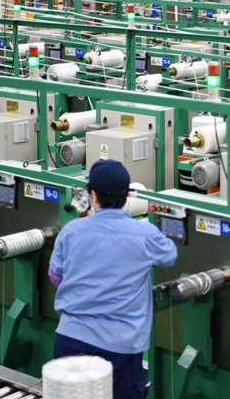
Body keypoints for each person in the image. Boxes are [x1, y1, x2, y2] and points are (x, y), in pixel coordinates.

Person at [49, 160, 177, 399]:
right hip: (119, 346)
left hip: (70, 338)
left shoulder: (72, 230)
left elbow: (56, 276)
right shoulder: (145, 234)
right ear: (128, 196)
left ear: (92, 195)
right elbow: (168, 256)